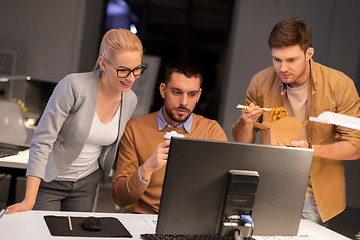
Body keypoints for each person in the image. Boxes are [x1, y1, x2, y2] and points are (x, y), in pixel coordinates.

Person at [232, 18, 360, 225]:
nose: (283, 68)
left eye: (291, 60)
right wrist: (246, 122)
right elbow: (243, 142)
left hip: (313, 196)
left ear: (309, 53)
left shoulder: (340, 86)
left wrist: (310, 149)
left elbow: (356, 146)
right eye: (277, 60)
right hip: (266, 187)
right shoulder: (260, 82)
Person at [6, 28, 145, 213]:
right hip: (52, 180)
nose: (131, 78)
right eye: (123, 70)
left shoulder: (130, 99)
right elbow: (42, 140)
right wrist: (28, 200)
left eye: (137, 70)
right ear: (103, 64)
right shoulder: (74, 86)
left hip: (86, 183)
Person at [112, 59, 228, 214]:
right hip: (143, 218)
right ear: (163, 90)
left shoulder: (211, 131)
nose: (184, 102)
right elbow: (120, 198)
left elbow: (223, 192)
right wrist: (148, 167)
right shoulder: (136, 128)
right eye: (176, 92)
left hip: (190, 222)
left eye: (191, 94)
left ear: (199, 95)